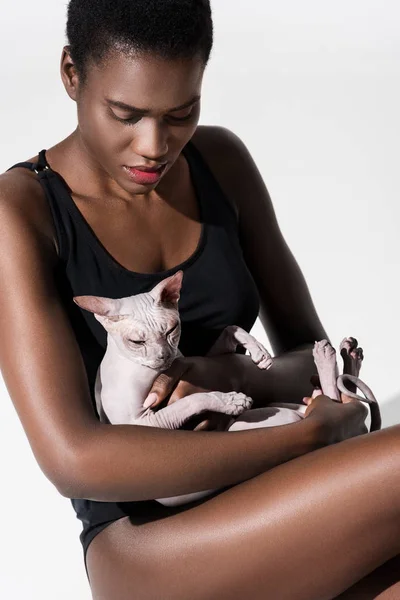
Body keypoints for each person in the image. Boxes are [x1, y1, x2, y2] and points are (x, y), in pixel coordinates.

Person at [1, 0, 399, 597]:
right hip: (151, 544)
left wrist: (228, 375)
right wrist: (308, 435)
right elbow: (74, 459)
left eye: (181, 112)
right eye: (125, 114)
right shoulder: (21, 212)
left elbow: (318, 366)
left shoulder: (221, 163)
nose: (155, 145)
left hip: (288, 501)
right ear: (70, 74)